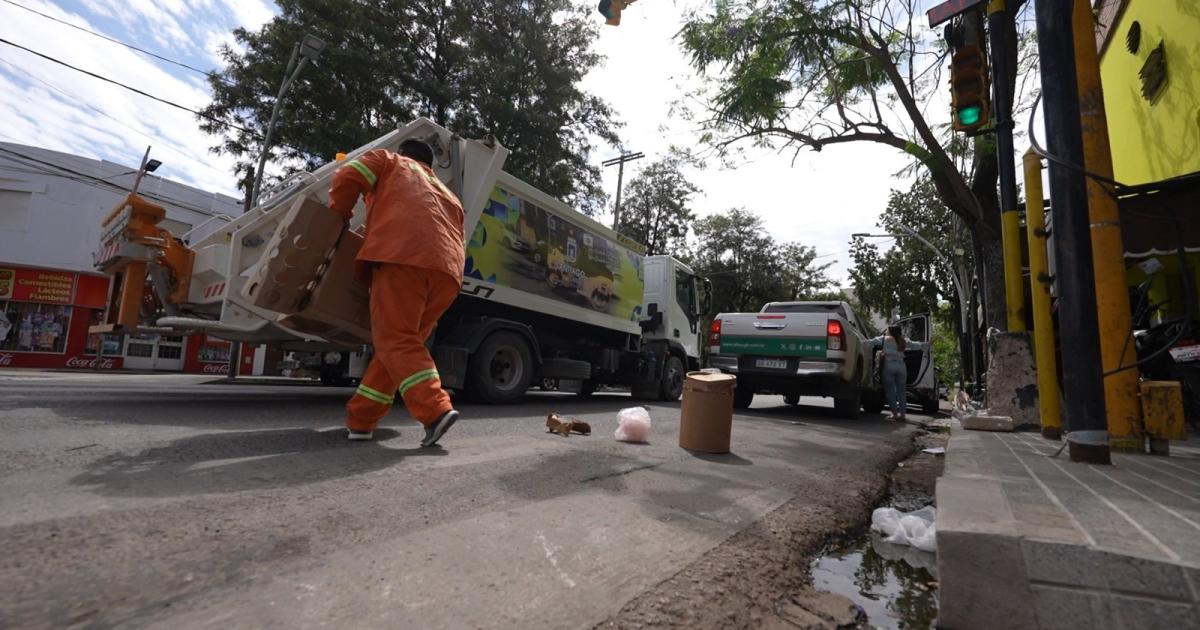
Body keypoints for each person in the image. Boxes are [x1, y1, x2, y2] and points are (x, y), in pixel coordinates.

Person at [327, 139, 464, 446]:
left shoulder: (388, 161)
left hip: (402, 257)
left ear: (404, 154)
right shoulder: (449, 195)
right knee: (400, 346)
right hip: (447, 273)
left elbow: (347, 176)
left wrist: (339, 213)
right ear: (429, 164)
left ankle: (435, 411)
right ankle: (361, 420)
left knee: (395, 340)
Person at [880, 325, 909, 421]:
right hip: (901, 366)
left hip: (889, 365)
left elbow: (869, 343)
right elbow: (916, 345)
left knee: (890, 391)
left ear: (890, 332)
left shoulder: (884, 339)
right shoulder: (903, 340)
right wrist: (927, 344)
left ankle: (895, 414)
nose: (885, 332)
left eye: (887, 330)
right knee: (902, 392)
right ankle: (903, 415)